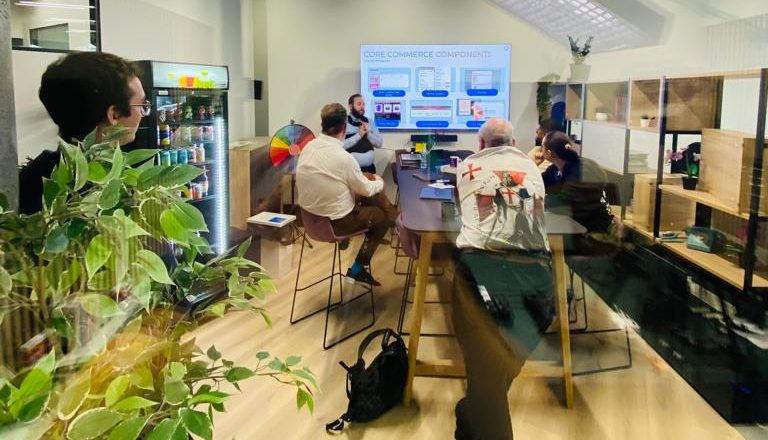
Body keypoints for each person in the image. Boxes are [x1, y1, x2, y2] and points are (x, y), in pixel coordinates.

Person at [452, 117, 554, 440]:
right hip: (539, 277)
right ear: (514, 143)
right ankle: (470, 416)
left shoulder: (467, 167)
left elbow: (466, 210)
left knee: (487, 383)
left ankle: (470, 413)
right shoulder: (533, 169)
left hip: (483, 272)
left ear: (480, 144)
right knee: (494, 376)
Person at [19, 52, 149, 214]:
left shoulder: (33, 175)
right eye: (141, 105)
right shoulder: (108, 200)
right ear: (114, 114)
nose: (143, 113)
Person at [296, 103, 398, 286]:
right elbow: (367, 190)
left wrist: (370, 180)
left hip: (310, 219)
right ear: (344, 127)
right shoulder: (344, 158)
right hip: (334, 223)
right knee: (380, 216)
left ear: (323, 124)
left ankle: (395, 217)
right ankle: (358, 269)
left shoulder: (308, 147)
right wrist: (379, 182)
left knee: (367, 178)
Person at [540, 131, 619, 236]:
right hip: (579, 226)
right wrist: (534, 165)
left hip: (595, 232)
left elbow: (565, 203)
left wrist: (539, 200)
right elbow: (539, 183)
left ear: (549, 153)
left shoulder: (581, 170)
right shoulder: (556, 168)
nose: (540, 151)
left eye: (542, 147)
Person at [343, 94, 383, 174]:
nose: (362, 107)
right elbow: (339, 145)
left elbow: (379, 144)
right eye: (359, 104)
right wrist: (359, 135)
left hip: (370, 171)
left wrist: (368, 134)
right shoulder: (343, 122)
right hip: (350, 171)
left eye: (363, 104)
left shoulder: (369, 122)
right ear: (350, 106)